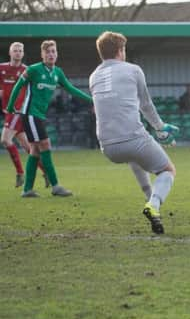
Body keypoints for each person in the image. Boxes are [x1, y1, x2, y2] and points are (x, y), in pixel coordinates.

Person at [89, 32, 179, 234]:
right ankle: (153, 204)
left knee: (135, 157)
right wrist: (160, 128)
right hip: (133, 139)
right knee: (167, 170)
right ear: (120, 51)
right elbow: (146, 105)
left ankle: (149, 198)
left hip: (107, 146)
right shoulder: (133, 69)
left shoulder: (93, 76)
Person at [7, 40, 92, 197]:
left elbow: (71, 89)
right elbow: (18, 86)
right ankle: (55, 186)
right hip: (30, 114)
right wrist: (11, 107)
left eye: (53, 51)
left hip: (38, 115)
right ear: (42, 55)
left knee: (35, 150)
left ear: (57, 54)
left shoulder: (57, 72)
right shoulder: (33, 70)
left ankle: (27, 190)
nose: (51, 54)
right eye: (48, 52)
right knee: (45, 144)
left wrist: (91, 100)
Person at [0, 42, 48, 188]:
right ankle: (47, 172)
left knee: (5, 140)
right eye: (15, 50)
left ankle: (20, 173)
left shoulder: (27, 70)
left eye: (20, 51)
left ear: (22, 53)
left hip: (18, 111)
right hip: (8, 112)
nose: (18, 53)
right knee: (28, 147)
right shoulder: (1, 68)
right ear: (10, 52)